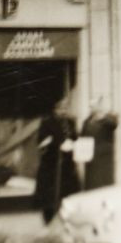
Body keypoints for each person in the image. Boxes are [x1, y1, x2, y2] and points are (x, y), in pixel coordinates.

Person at [33, 96, 81, 224]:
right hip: (51, 164)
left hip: (67, 164)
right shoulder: (47, 122)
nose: (63, 111)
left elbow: (75, 137)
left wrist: (73, 143)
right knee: (50, 196)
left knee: (68, 193)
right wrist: (57, 144)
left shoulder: (70, 122)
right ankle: (48, 219)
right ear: (55, 109)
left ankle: (67, 219)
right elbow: (41, 142)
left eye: (65, 108)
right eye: (61, 108)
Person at [80, 98, 119, 191]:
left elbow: (114, 125)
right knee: (92, 183)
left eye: (93, 106)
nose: (91, 108)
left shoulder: (108, 119)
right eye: (90, 106)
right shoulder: (87, 121)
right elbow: (82, 136)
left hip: (105, 158)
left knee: (104, 183)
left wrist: (103, 116)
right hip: (91, 157)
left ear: (99, 106)